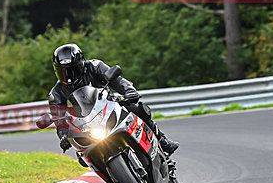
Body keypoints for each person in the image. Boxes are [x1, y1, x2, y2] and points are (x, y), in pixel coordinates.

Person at [48, 43, 179, 155]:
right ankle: (114, 180)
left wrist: (129, 91)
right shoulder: (56, 93)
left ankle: (162, 140)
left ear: (81, 63)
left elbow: (117, 81)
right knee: (82, 155)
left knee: (139, 109)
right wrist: (63, 136)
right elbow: (59, 121)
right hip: (85, 125)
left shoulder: (94, 66)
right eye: (64, 72)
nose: (69, 76)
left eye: (73, 70)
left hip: (110, 107)